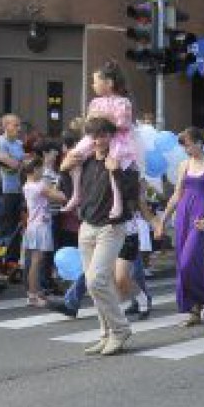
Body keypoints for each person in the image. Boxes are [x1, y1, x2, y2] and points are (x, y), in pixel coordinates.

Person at [63, 117, 141, 356]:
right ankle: (106, 333)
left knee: (97, 280)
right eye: (94, 136)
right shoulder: (85, 159)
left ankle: (120, 329)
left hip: (111, 227)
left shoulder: (123, 160)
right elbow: (69, 186)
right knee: (95, 283)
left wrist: (116, 170)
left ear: (111, 136)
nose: (98, 140)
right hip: (87, 225)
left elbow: (132, 193)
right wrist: (64, 167)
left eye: (103, 135)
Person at [156, 128, 204, 326]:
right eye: (184, 146)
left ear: (199, 142)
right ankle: (194, 307)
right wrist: (162, 221)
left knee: (188, 261)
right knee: (186, 263)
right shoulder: (184, 165)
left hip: (200, 218)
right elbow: (177, 194)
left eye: (188, 145)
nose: (186, 149)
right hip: (183, 215)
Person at [62, 62, 141, 219]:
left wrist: (105, 116)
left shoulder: (123, 102)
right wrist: (88, 122)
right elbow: (89, 122)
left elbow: (124, 123)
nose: (93, 85)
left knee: (113, 164)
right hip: (95, 135)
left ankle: (117, 201)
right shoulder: (95, 102)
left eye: (95, 81)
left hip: (117, 137)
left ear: (109, 83)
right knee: (75, 155)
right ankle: (76, 194)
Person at [21, 158, 65, 307]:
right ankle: (32, 295)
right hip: (40, 226)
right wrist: (55, 186)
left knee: (36, 261)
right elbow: (61, 198)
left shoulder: (27, 185)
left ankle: (35, 292)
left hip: (34, 225)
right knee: (36, 261)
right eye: (40, 169)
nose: (42, 172)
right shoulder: (39, 186)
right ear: (34, 170)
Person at [0, 113, 25, 278]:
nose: (19, 128)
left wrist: (17, 164)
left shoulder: (19, 143)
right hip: (4, 191)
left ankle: (12, 263)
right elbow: (7, 168)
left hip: (18, 190)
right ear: (5, 126)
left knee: (16, 228)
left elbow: (17, 166)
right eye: (15, 125)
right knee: (3, 229)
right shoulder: (0, 142)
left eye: (19, 125)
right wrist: (19, 164)